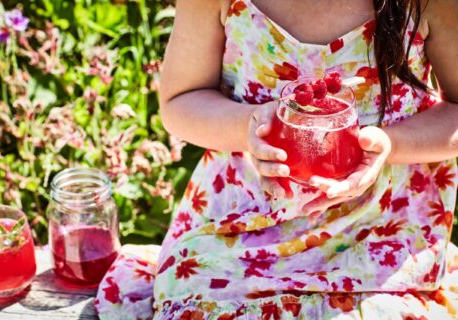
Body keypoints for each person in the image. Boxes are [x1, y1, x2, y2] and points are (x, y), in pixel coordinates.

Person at [95, 0, 458, 319]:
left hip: (381, 227)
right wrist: (248, 127)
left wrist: (390, 145)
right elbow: (180, 100)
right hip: (246, 221)